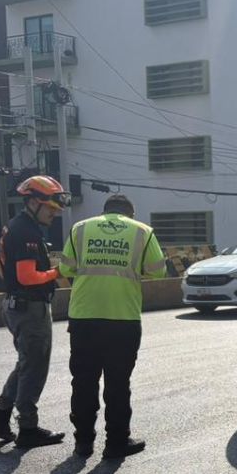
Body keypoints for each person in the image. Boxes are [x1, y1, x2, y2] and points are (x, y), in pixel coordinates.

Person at [60, 195, 167, 459]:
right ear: (130, 214)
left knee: (83, 380)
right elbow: (158, 271)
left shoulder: (80, 228)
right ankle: (116, 442)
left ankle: (83, 442)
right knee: (118, 382)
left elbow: (65, 268)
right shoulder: (142, 231)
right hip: (123, 318)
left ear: (105, 212)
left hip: (84, 317)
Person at [0, 176, 69, 448]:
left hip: (17, 305)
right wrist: (60, 271)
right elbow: (28, 276)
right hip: (29, 307)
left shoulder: (20, 226)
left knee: (25, 363)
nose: (54, 214)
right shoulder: (27, 232)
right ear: (33, 202)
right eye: (50, 209)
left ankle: (0, 417)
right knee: (34, 366)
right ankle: (28, 428)